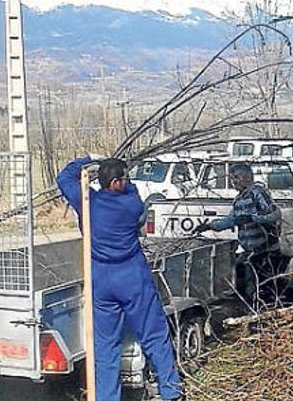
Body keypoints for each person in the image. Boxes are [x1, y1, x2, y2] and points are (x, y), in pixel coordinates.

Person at [56, 157, 183, 401]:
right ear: (115, 183)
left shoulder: (87, 202)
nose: (129, 181)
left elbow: (63, 178)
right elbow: (134, 193)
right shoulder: (131, 204)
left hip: (101, 281)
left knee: (105, 347)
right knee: (154, 335)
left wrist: (87, 161)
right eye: (125, 178)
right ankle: (171, 392)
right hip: (132, 278)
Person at [193, 163, 282, 306]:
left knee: (264, 285)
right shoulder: (238, 200)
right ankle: (248, 307)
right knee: (241, 276)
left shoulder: (257, 193)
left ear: (247, 177)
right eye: (232, 179)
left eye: (236, 178)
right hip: (249, 250)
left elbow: (275, 214)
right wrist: (209, 226)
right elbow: (231, 220)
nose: (233, 182)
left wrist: (254, 218)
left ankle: (264, 310)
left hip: (266, 250)